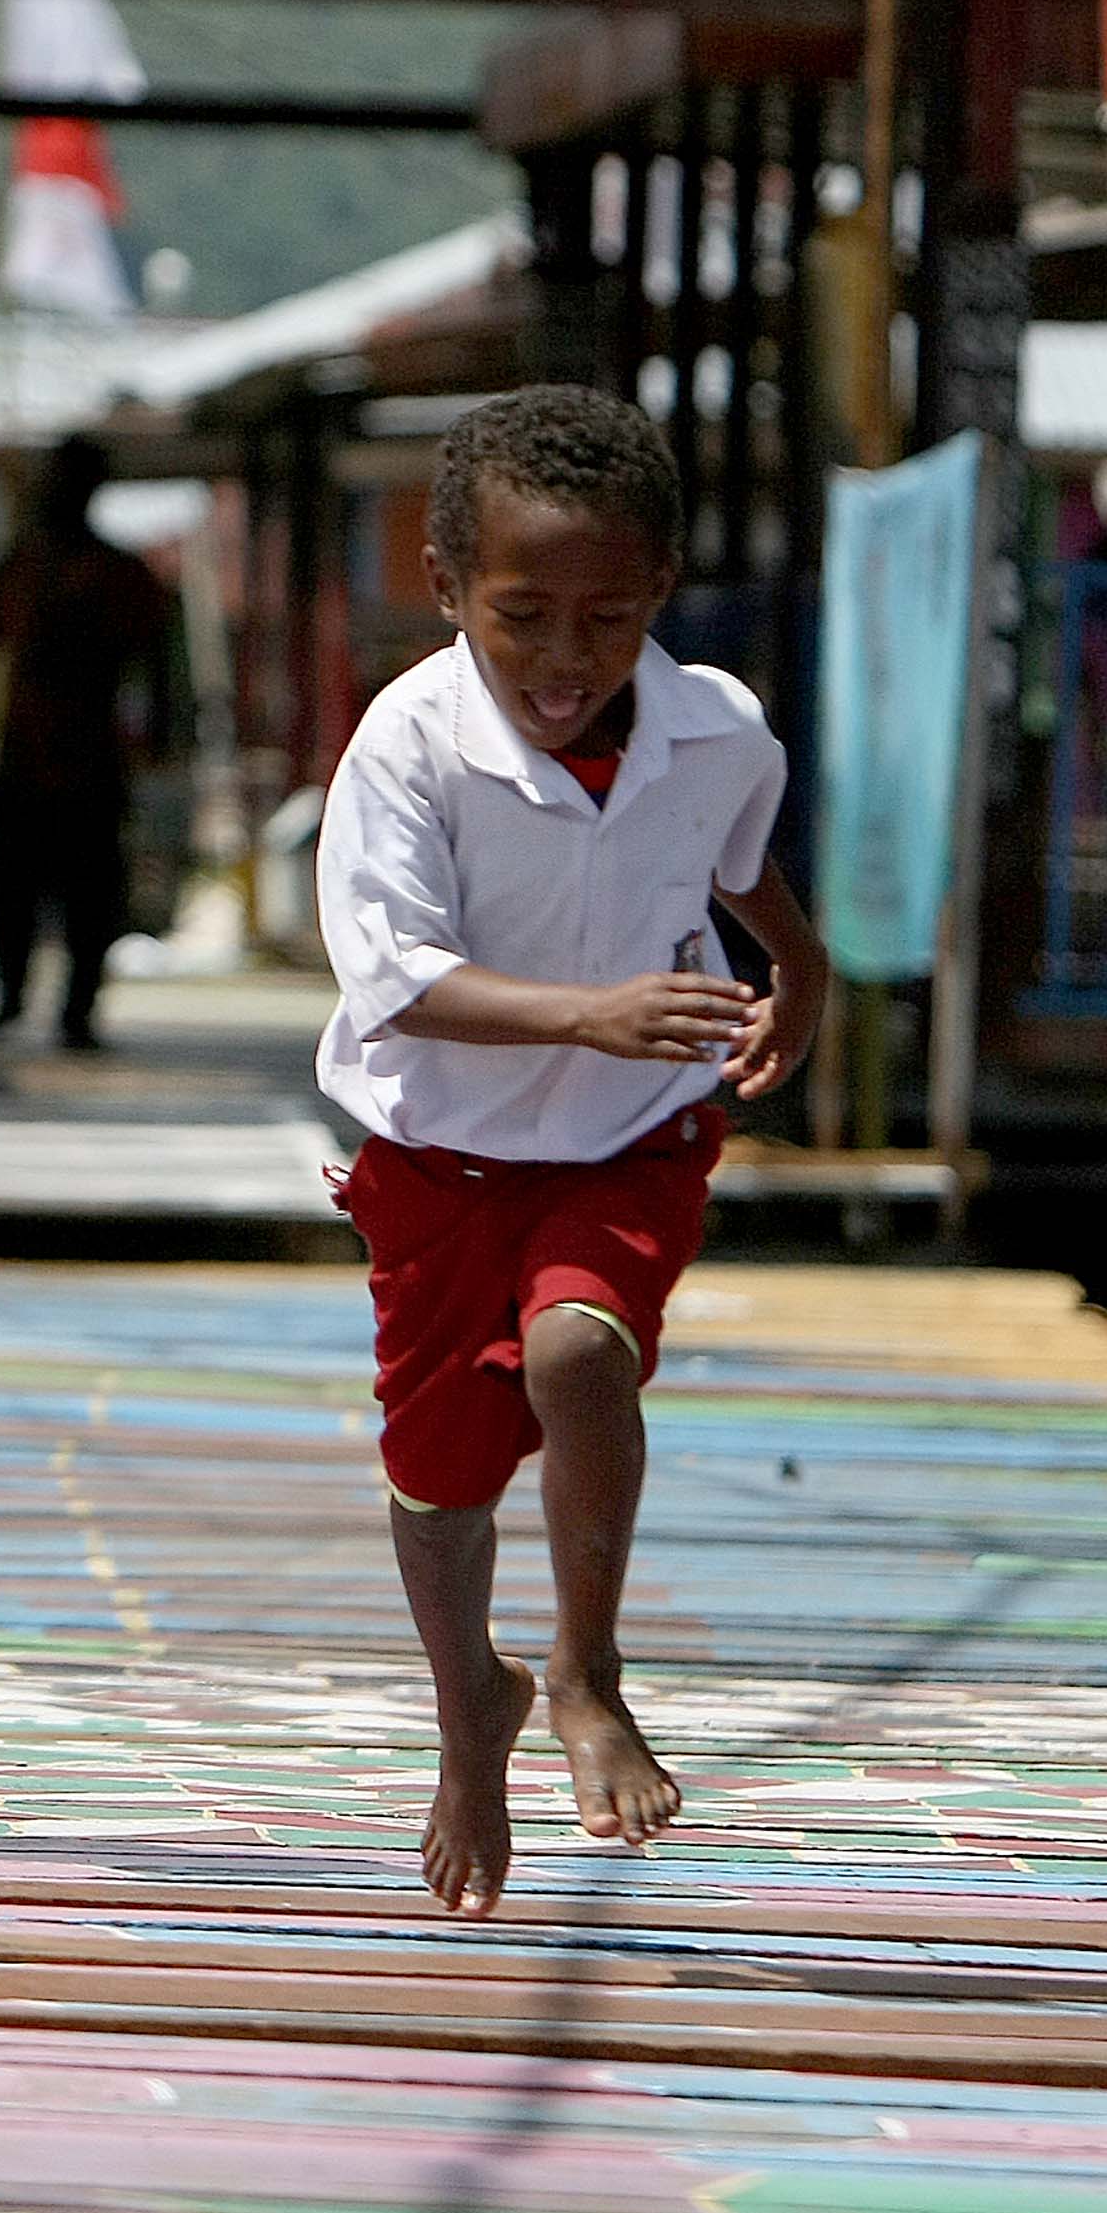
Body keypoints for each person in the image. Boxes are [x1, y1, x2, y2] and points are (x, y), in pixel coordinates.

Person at [314, 384, 825, 1915]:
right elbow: (395, 977)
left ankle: (589, 1676)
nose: (563, 660)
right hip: (439, 1149)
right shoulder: (405, 748)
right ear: (449, 587)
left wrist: (800, 968)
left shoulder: (716, 729)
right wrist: (586, 1011)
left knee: (581, 1353)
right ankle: (474, 1710)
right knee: (438, 1475)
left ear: (660, 595)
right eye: (524, 615)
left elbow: (740, 870)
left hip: (633, 1131)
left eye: (606, 619)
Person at [0, 434, 175, 1046]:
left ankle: (76, 1010)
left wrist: (161, 735)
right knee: (14, 887)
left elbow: (159, 661)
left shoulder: (117, 574)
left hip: (91, 760)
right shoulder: (22, 566)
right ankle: (13, 997)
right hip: (25, 756)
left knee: (89, 895)